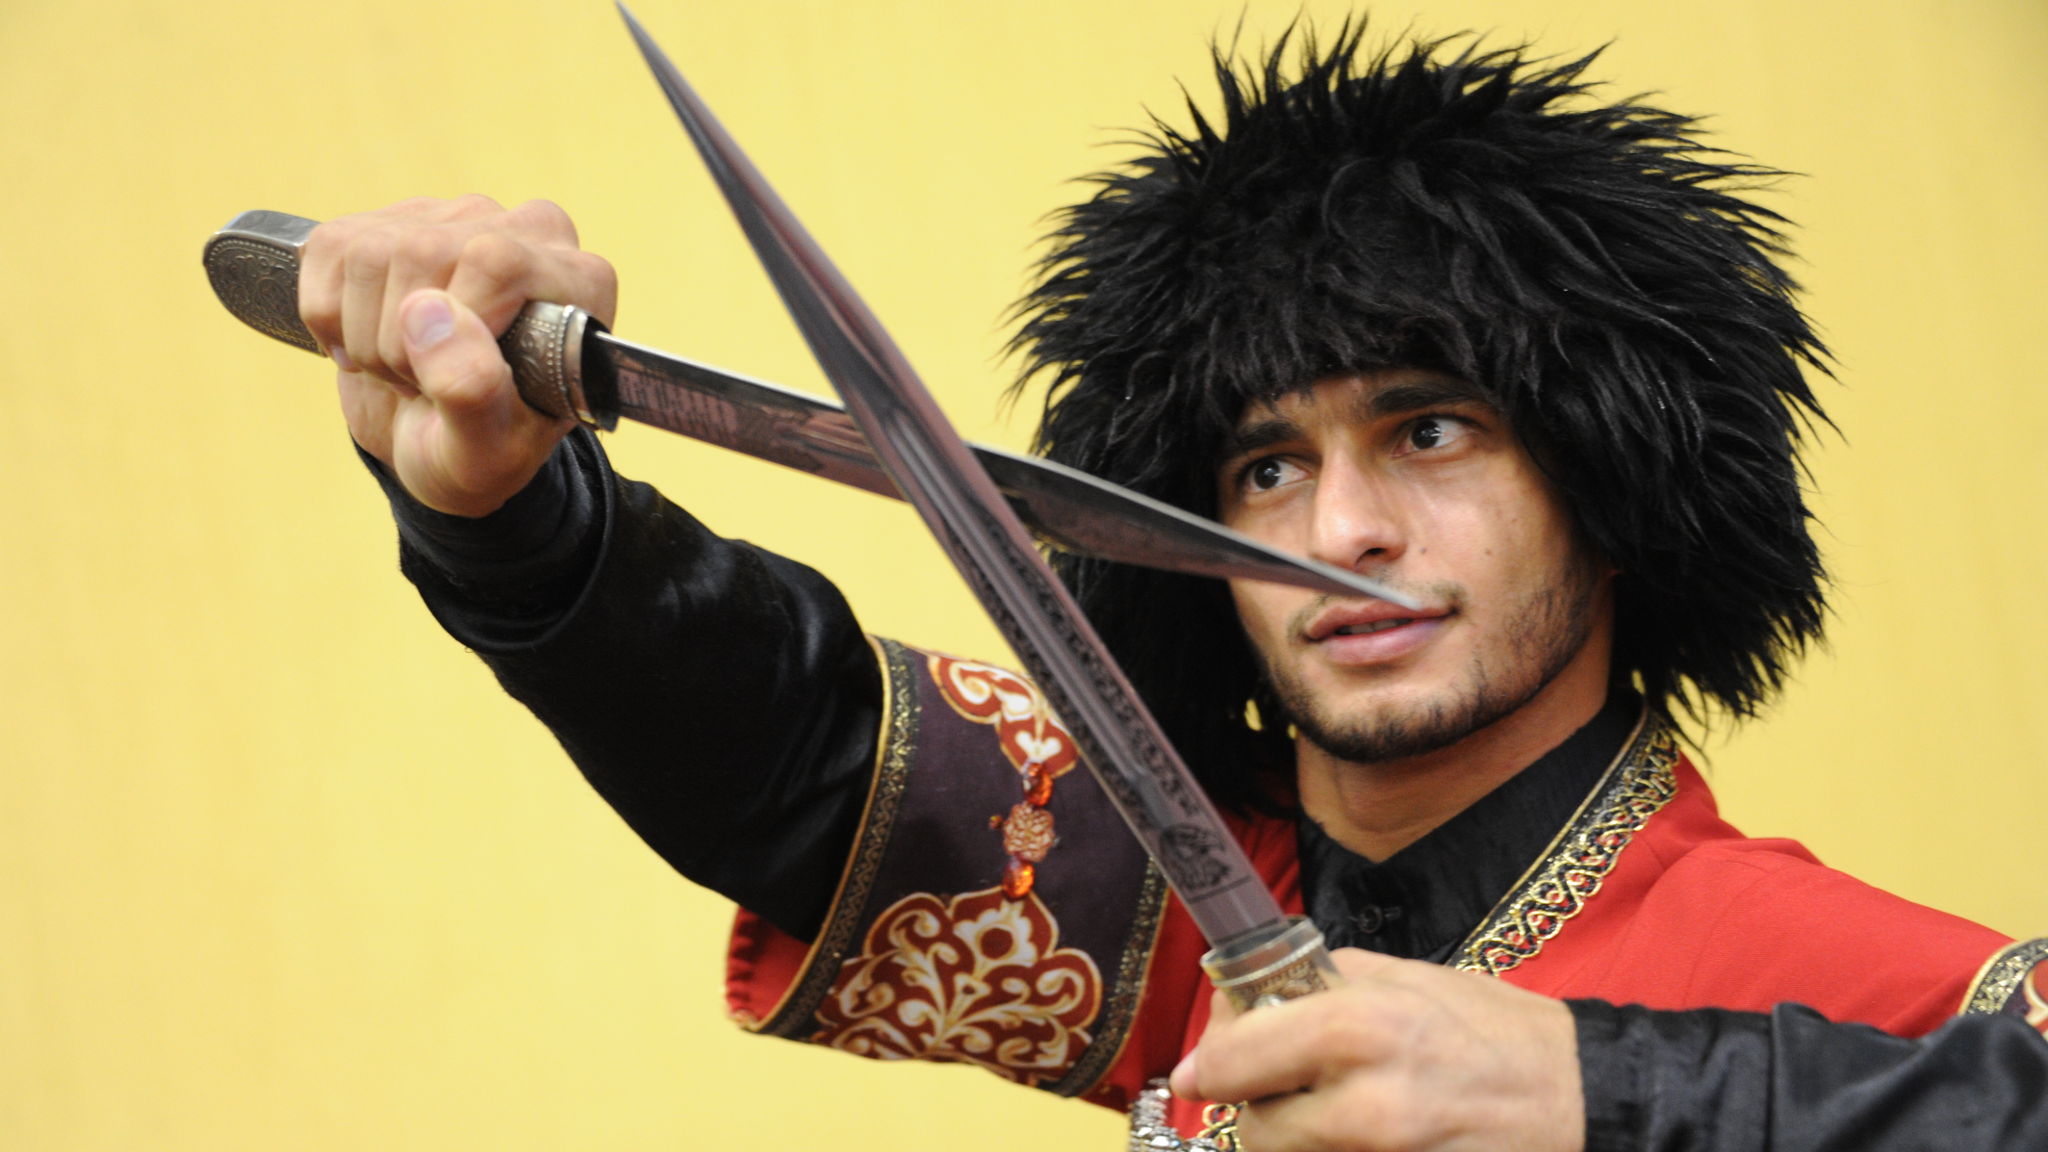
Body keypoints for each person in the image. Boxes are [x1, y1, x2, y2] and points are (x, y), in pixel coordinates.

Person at [293, 23, 2046, 1151]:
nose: (1337, 529)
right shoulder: (1195, 900)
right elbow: (792, 748)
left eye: (1429, 431)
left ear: (1605, 482)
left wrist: (1610, 1093)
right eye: (1263, 466)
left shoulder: (1897, 1002)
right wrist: (506, 508)